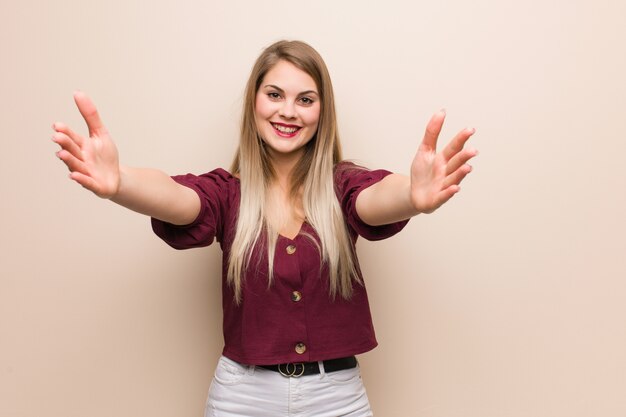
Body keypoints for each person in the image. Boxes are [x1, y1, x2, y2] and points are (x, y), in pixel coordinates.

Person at [52, 40, 477, 417]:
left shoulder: (342, 185)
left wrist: (412, 197)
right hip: (242, 397)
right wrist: (120, 183)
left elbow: (375, 200)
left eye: (305, 99)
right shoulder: (227, 194)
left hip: (337, 397)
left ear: (322, 112)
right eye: (274, 94)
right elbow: (178, 198)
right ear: (254, 102)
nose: (288, 111)